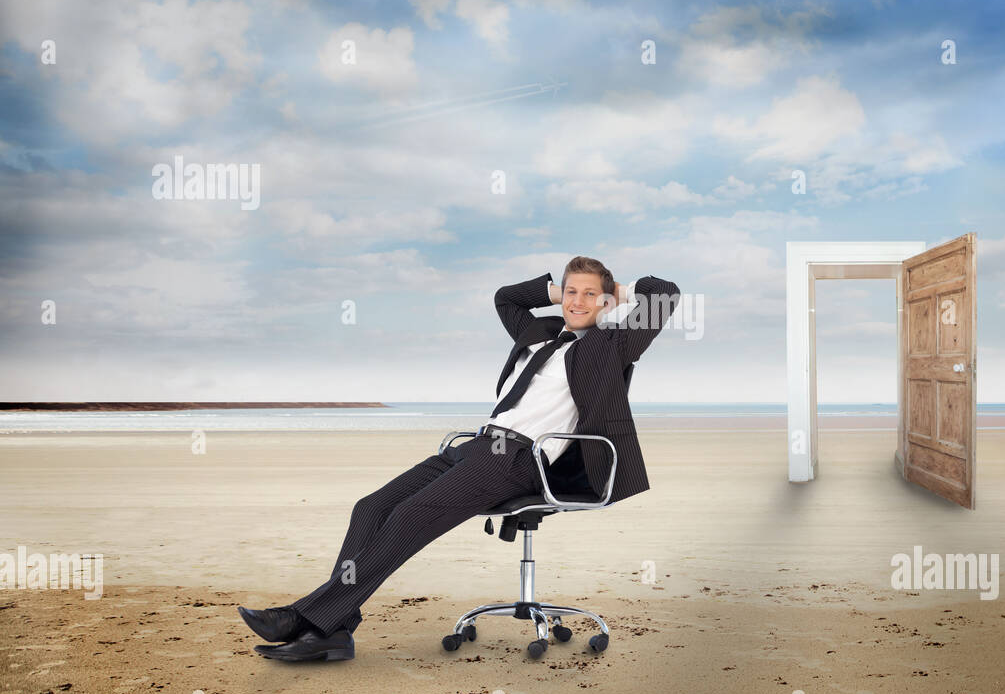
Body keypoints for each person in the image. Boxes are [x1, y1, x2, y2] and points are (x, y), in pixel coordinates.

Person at [237, 256, 680, 662]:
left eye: (589, 294)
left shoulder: (608, 346)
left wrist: (615, 292)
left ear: (604, 301)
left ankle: (307, 618)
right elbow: (506, 298)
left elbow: (664, 296)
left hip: (522, 458)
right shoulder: (539, 334)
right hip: (474, 446)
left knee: (409, 516)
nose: (578, 301)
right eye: (571, 292)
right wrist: (559, 288)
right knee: (370, 508)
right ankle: (333, 631)